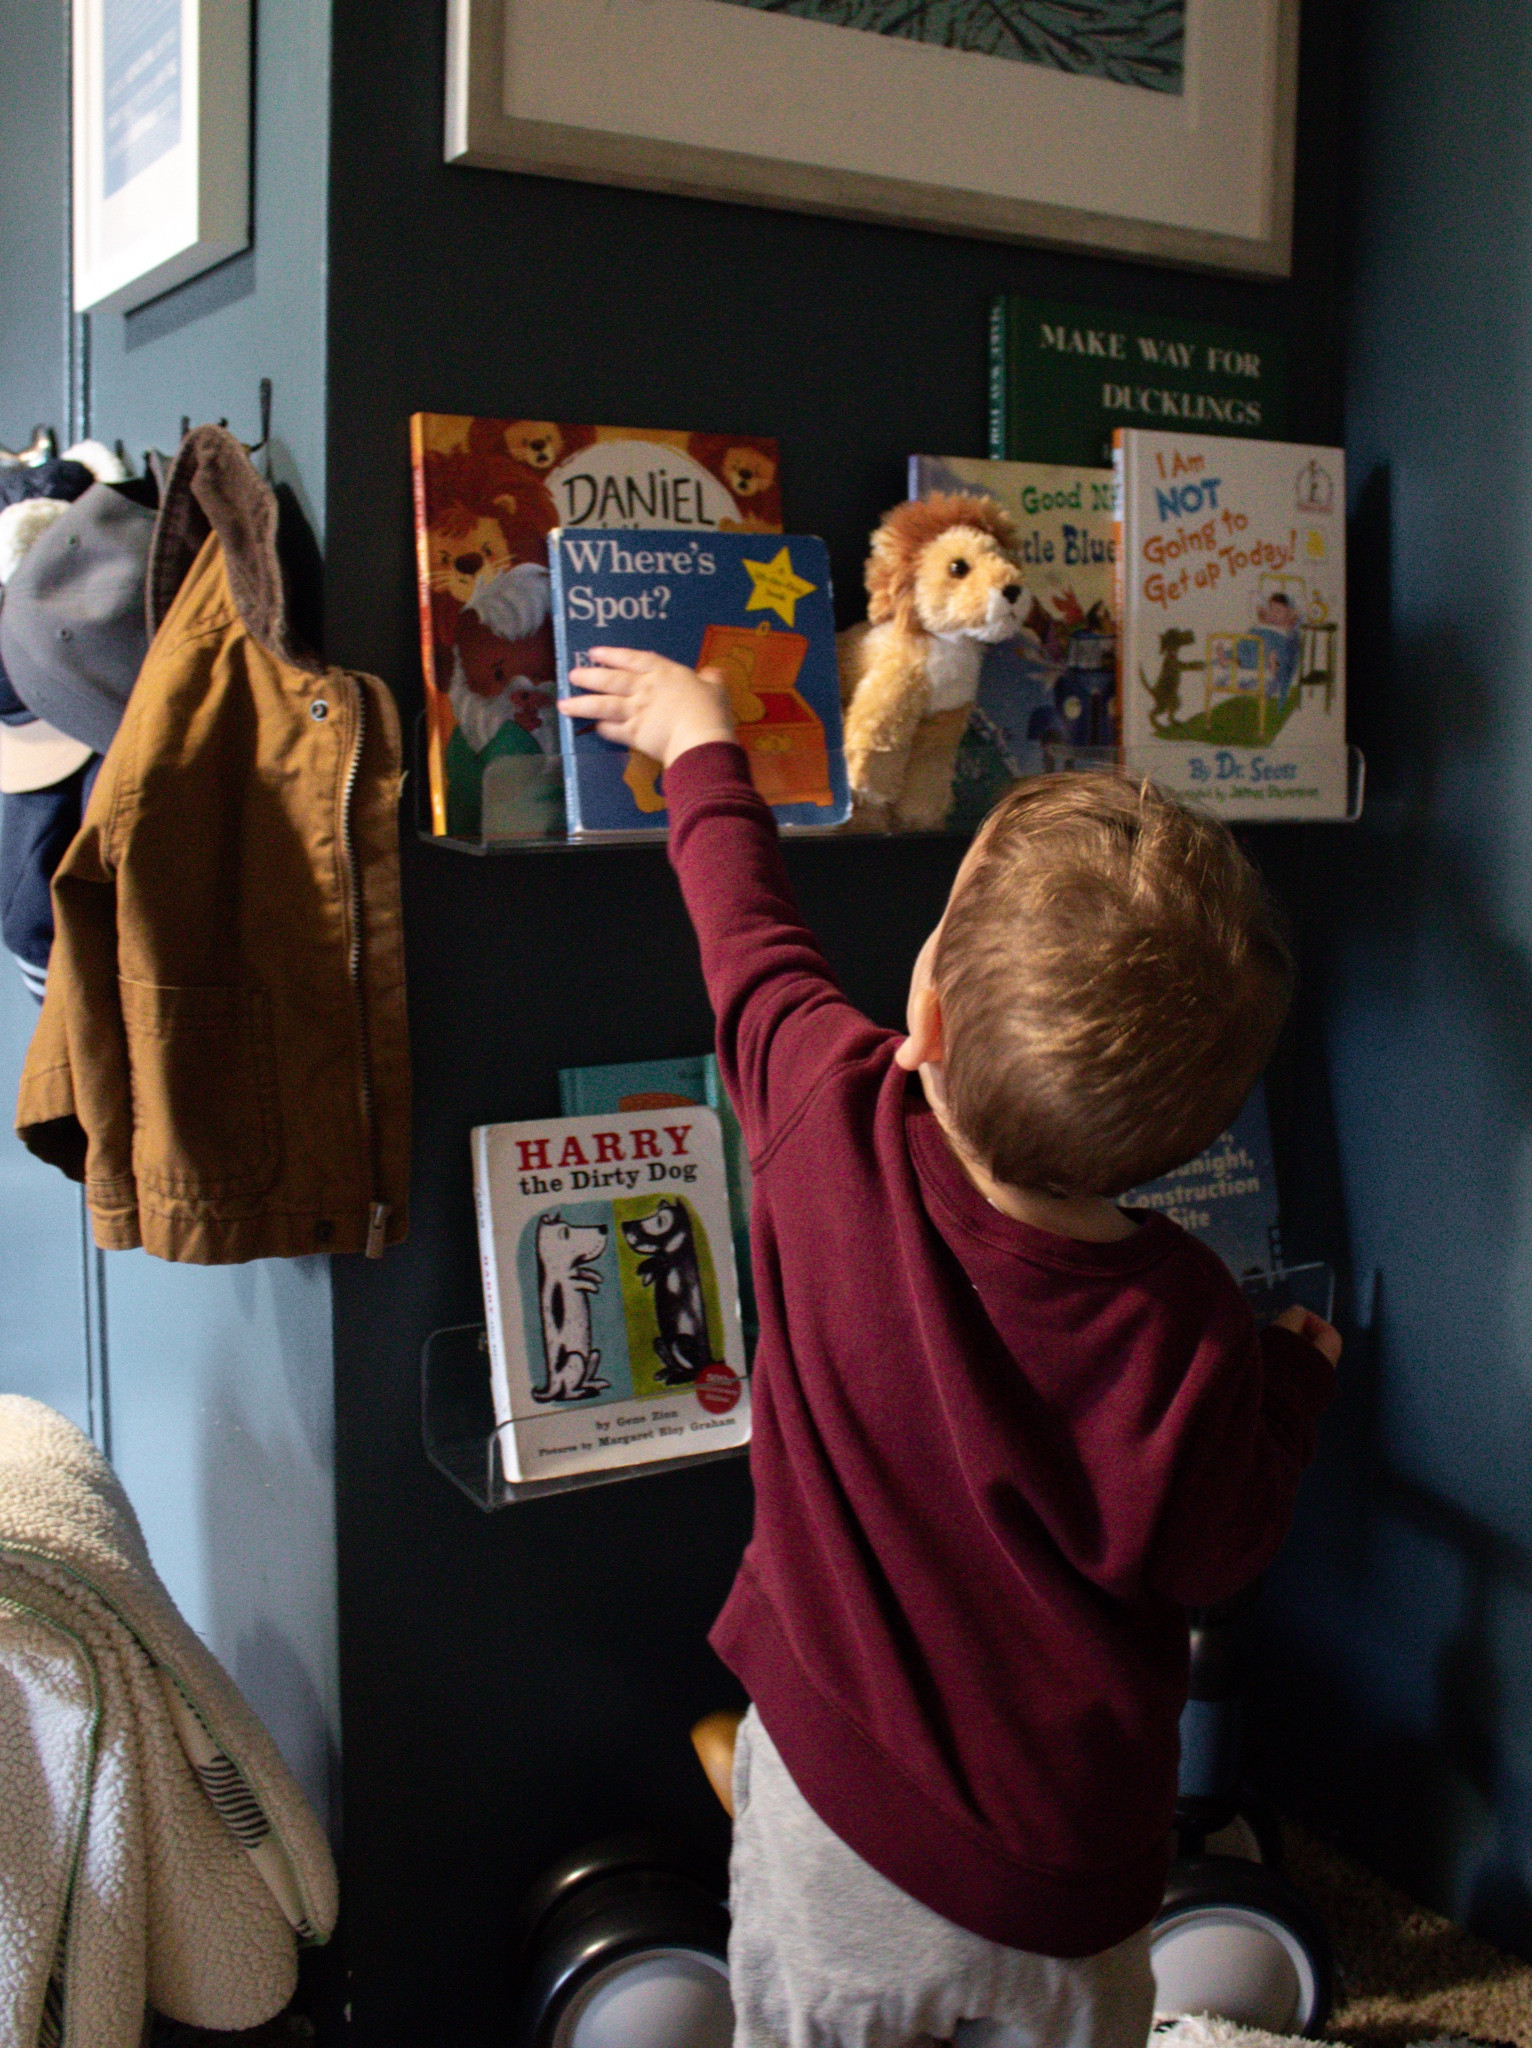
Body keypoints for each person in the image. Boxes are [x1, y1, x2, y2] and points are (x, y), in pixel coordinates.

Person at [563, 649, 1342, 2048]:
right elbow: (1220, 1547)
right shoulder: (1189, 1317)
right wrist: (1294, 1383)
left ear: (920, 1021)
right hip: (1078, 1878)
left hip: (843, 1842)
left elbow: (749, 946)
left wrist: (700, 747)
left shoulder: (830, 1119)